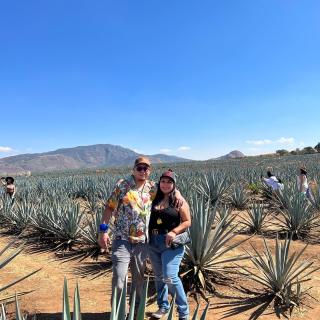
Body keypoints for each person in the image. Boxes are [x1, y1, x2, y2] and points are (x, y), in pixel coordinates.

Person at [98, 157, 183, 314]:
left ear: (149, 171)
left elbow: (168, 188)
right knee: (119, 279)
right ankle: (118, 314)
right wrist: (103, 231)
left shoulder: (153, 187)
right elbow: (109, 208)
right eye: (140, 168)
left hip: (143, 242)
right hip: (121, 238)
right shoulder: (122, 185)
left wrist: (177, 193)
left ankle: (136, 313)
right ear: (133, 169)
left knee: (138, 280)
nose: (143, 171)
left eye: (146, 168)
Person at [149, 169, 191, 320]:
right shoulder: (153, 197)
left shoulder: (178, 200)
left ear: (174, 185)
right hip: (152, 242)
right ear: (159, 182)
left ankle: (183, 312)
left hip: (171, 243)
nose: (165, 184)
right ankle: (163, 307)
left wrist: (174, 231)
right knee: (159, 276)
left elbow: (187, 221)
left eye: (169, 182)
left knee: (170, 276)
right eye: (163, 181)